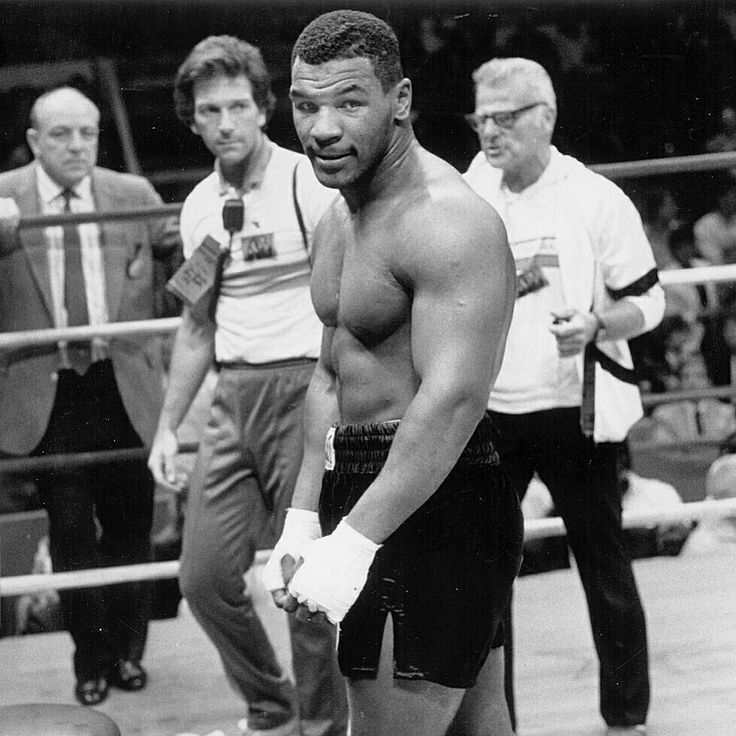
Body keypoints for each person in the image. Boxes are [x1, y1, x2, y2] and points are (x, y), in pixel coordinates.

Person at [265, 11, 522, 736]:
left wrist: (355, 542)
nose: (320, 128)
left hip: (437, 493)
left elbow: (454, 399)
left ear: (400, 100)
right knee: (476, 726)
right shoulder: (336, 220)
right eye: (306, 104)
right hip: (371, 481)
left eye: (349, 102)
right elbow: (328, 376)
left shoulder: (446, 221)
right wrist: (303, 518)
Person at [146, 36, 348, 736]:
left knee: (303, 579)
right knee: (202, 578)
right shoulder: (199, 206)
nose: (225, 121)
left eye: (238, 105)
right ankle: (271, 707)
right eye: (210, 110)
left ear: (264, 108)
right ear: (193, 120)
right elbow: (196, 325)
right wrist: (169, 425)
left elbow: (349, 300)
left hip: (305, 387)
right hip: (232, 397)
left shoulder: (307, 183)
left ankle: (322, 727)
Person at [462, 58, 665, 735]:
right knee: (485, 579)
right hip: (493, 410)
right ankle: (499, 725)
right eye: (481, 117)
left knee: (603, 565)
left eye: (505, 118)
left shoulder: (594, 197)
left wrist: (598, 324)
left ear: (544, 116)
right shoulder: (469, 191)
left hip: (573, 406)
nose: (490, 131)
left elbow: (651, 299)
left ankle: (627, 717)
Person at [0, 86, 177, 705]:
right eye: (61, 134)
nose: (77, 146)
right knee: (72, 532)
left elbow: (188, 261)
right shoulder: (3, 197)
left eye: (88, 133)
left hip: (122, 381)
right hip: (49, 388)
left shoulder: (132, 195)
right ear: (33, 140)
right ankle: (90, 660)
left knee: (132, 528)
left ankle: (129, 652)